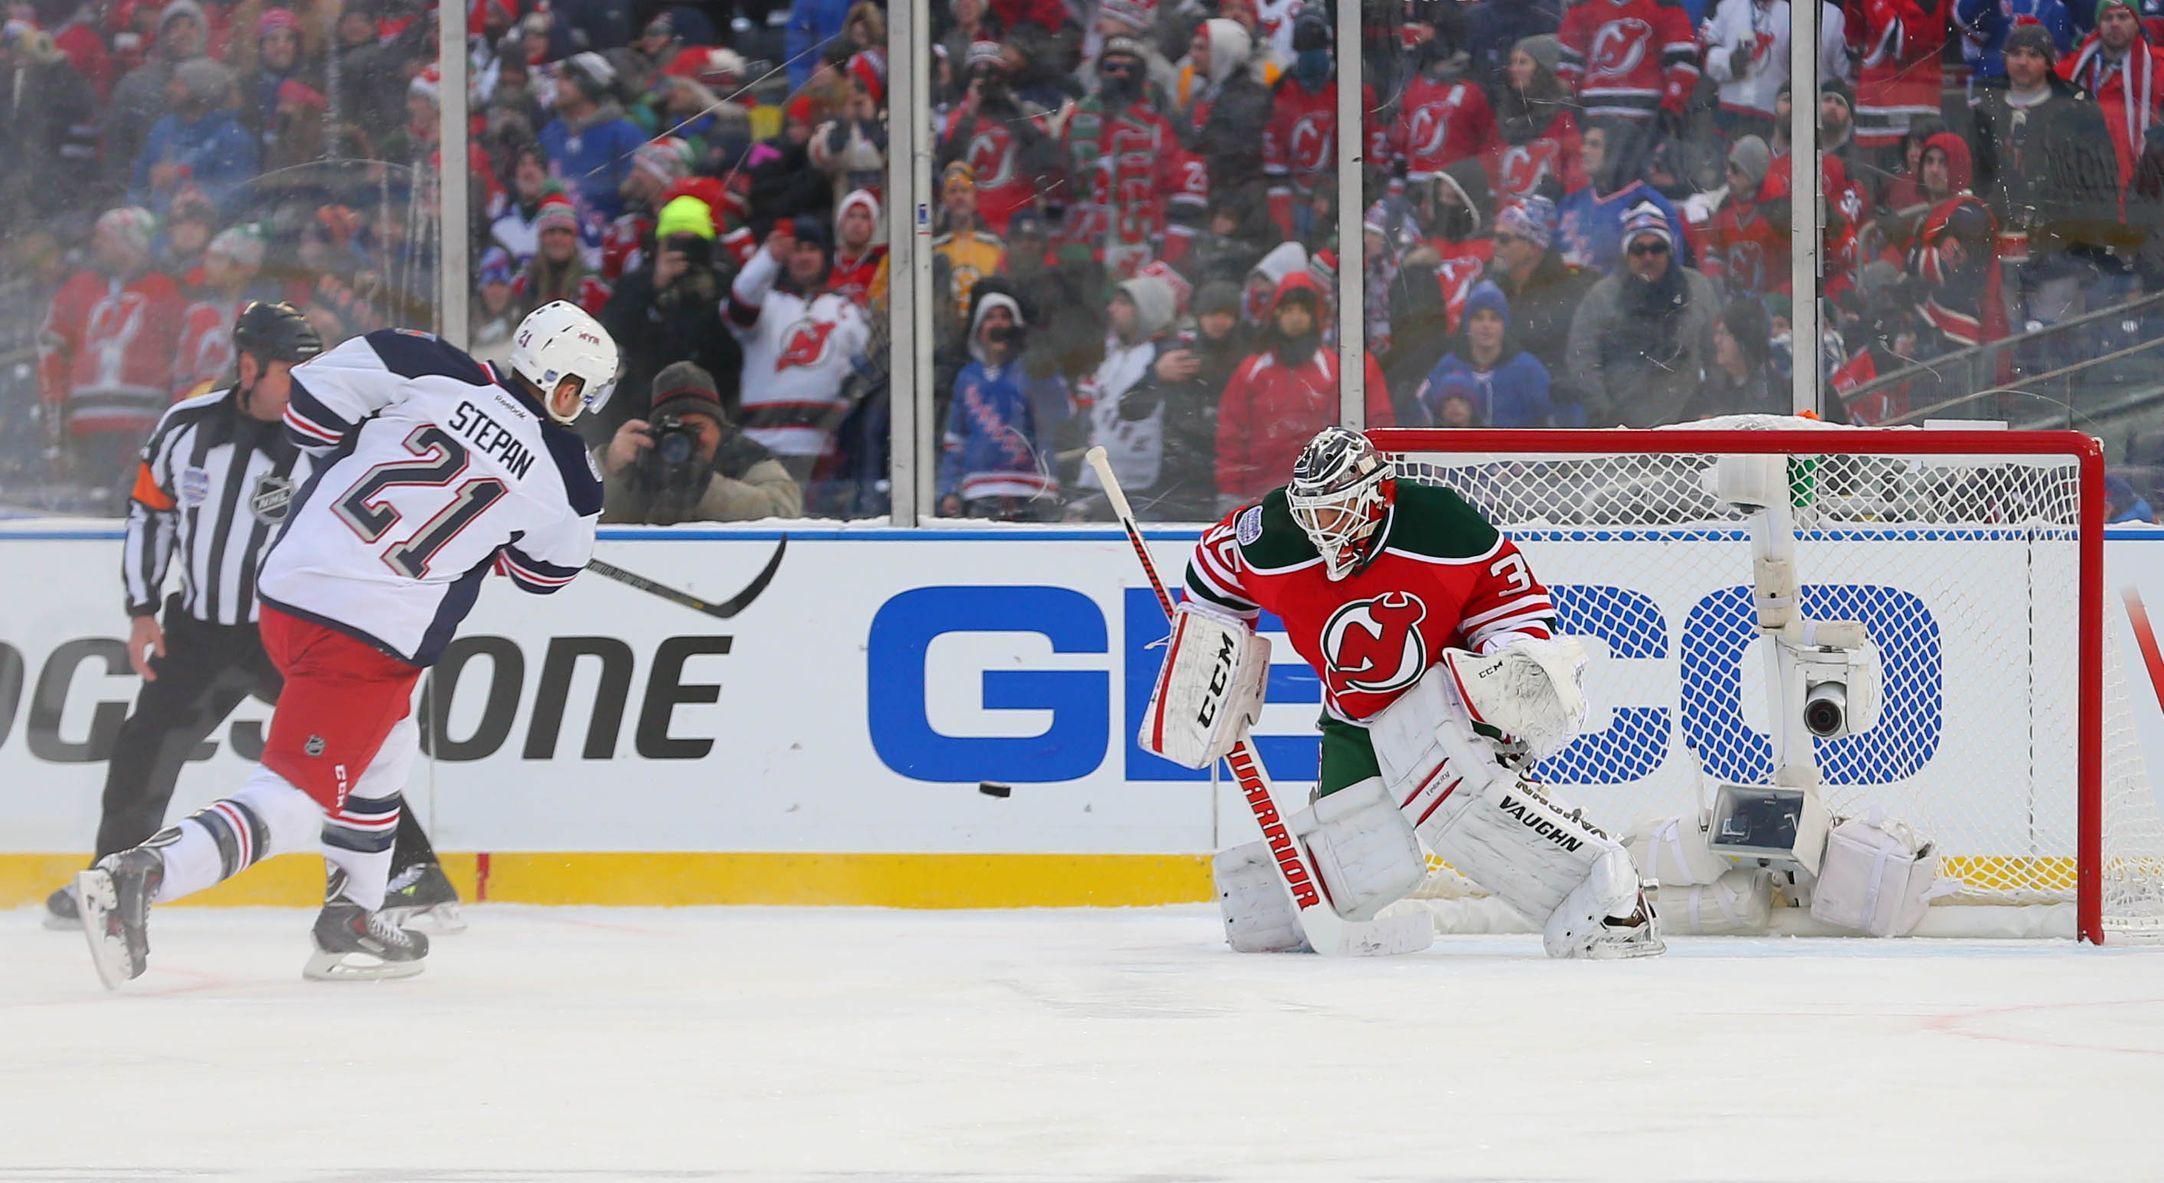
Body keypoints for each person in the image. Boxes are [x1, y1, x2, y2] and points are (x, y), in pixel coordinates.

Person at [75, 301, 619, 987]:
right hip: (367, 637)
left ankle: (352, 917)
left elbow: (307, 415)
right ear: (567, 387)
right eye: (585, 391)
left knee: (390, 740)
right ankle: (143, 874)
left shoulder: (423, 359)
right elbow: (543, 575)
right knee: (294, 799)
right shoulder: (571, 475)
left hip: (287, 593)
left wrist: (379, 434)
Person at [1152, 425, 1662, 958]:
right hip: (1352, 716)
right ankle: (1295, 918)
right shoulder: (1274, 535)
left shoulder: (1440, 524)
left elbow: (1510, 598)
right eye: (1311, 512)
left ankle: (1609, 907)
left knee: (1486, 814)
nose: (1320, 527)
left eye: (1335, 510)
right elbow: (1212, 568)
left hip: (1439, 709)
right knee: (1353, 851)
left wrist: (1505, 657)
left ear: (1377, 495)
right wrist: (1211, 639)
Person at [43, 302, 461, 931]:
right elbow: (149, 513)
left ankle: (413, 875)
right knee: (144, 749)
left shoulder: (331, 440)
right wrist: (142, 607)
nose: (307, 385)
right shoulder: (185, 426)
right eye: (291, 372)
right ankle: (110, 882)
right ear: (248, 367)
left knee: (356, 748)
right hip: (198, 632)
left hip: (290, 631)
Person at [1214, 270, 1393, 506]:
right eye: (1288, 310)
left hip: (1326, 497)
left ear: (1314, 316)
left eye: (1303, 310)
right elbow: (1231, 434)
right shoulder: (1251, 372)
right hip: (1259, 497)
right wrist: (1230, 491)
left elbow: (1370, 428)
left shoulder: (1336, 370)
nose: (1296, 318)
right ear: (1276, 313)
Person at [727, 218, 874, 486]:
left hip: (821, 454)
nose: (804, 257)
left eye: (811, 249)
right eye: (796, 250)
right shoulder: (765, 304)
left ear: (824, 255)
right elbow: (740, 297)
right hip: (759, 448)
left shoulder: (846, 309)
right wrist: (768, 258)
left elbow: (866, 371)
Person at [1566, 201, 1719, 427]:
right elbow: (1582, 359)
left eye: (1657, 248)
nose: (1648, 257)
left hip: (1685, 424)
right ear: (1627, 254)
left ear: (1669, 251)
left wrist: (1708, 406)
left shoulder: (1697, 289)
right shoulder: (1602, 297)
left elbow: (1717, 353)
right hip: (1621, 427)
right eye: (1639, 249)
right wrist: (1605, 415)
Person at [595, 362, 804, 524]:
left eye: (696, 428)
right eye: (673, 430)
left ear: (719, 428)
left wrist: (704, 487)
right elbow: (585, 520)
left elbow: (785, 513)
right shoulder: (641, 457)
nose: (684, 440)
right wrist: (609, 468)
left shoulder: (744, 456)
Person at [938, 283, 1062, 519]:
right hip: (980, 489)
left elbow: (1056, 417)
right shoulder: (967, 377)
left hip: (1031, 489)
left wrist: (1039, 362)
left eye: (1005, 317)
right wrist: (949, 489)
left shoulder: (1032, 371)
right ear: (978, 330)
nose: (998, 324)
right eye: (990, 317)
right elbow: (955, 441)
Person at [1415, 281, 1555, 427]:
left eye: (1494, 318)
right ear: (1468, 324)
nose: (1486, 325)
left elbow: (1550, 417)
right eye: (1478, 318)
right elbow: (1421, 408)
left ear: (1504, 325)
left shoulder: (1528, 369)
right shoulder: (1447, 366)